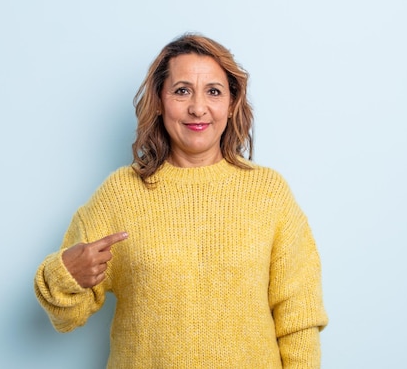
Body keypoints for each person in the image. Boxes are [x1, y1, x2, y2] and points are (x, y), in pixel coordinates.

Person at [34, 33, 328, 368]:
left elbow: (299, 318)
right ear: (159, 101)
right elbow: (67, 316)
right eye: (182, 90)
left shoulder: (269, 194)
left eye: (213, 92)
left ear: (232, 104)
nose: (198, 107)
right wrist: (63, 274)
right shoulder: (119, 195)